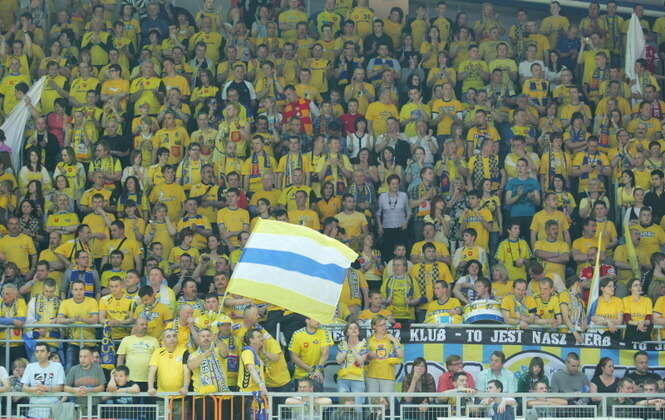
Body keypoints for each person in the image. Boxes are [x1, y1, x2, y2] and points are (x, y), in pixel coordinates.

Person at [21, 342, 65, 418]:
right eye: (37, 351)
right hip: (34, 410)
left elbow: (61, 387)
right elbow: (24, 388)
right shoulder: (30, 367)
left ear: (48, 353)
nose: (39, 354)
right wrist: (35, 389)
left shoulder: (58, 366)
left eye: (42, 351)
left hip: (53, 409)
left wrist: (46, 388)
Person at [116, 317, 159, 392]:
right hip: (130, 379)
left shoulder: (154, 340)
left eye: (146, 325)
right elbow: (120, 359)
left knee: (149, 400)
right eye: (142, 324)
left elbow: (158, 360)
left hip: (149, 380)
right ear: (135, 326)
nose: (145, 326)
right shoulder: (126, 340)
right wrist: (119, 377)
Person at [288, 317, 332, 392]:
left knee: (317, 398)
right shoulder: (297, 334)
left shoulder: (324, 332)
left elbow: (325, 352)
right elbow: (294, 356)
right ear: (307, 320)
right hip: (300, 374)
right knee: (300, 399)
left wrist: (318, 369)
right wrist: (311, 370)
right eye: (315, 318)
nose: (318, 321)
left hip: (317, 373)